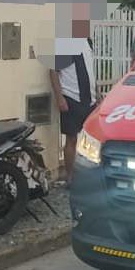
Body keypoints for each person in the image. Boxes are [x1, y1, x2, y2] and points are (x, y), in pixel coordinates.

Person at [49, 22, 97, 185]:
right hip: (71, 97)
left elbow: (90, 70)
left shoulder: (87, 42)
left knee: (90, 140)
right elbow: (53, 71)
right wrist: (59, 97)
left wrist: (97, 93)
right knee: (71, 139)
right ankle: (70, 178)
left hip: (89, 99)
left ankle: (88, 175)